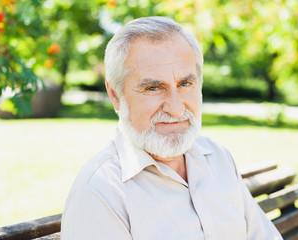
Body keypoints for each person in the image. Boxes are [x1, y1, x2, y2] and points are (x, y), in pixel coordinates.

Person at [61, 16, 283, 240]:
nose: (176, 109)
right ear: (115, 94)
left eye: (185, 84)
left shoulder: (218, 157)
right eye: (153, 88)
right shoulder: (100, 192)